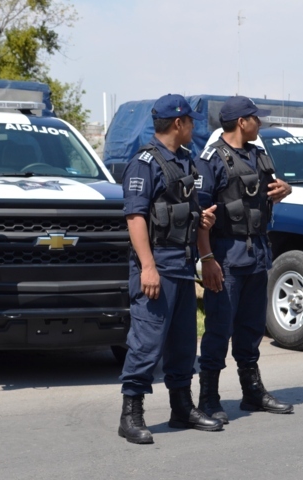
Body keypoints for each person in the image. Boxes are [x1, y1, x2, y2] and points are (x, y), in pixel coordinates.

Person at [118, 94, 223, 444]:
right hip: (158, 267)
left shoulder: (185, 161)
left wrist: (201, 223)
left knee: (182, 344)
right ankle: (131, 415)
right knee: (146, 343)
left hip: (181, 265)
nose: (194, 126)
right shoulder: (144, 163)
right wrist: (147, 267)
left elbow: (186, 211)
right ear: (178, 123)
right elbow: (135, 218)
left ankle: (182, 407)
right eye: (190, 121)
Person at [194, 96, 294, 424]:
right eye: (255, 118)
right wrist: (207, 258)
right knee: (219, 329)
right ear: (241, 122)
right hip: (226, 256)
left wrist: (286, 189)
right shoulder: (210, 161)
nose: (259, 123)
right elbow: (200, 216)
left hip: (257, 256)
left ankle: (252, 392)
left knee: (251, 329)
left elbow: (269, 193)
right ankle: (208, 398)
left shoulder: (257, 154)